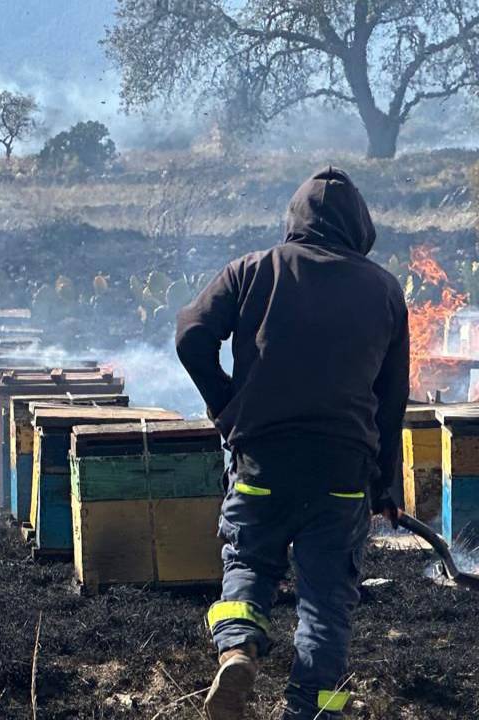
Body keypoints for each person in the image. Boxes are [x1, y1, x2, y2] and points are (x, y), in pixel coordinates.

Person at [175, 168, 408, 719]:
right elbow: (391, 399)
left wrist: (227, 407)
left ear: (294, 220)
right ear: (361, 228)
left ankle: (237, 650)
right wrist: (386, 484)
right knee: (327, 606)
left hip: (262, 466)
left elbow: (190, 334)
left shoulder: (252, 270)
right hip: (343, 477)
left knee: (249, 563)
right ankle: (313, 709)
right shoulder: (384, 290)